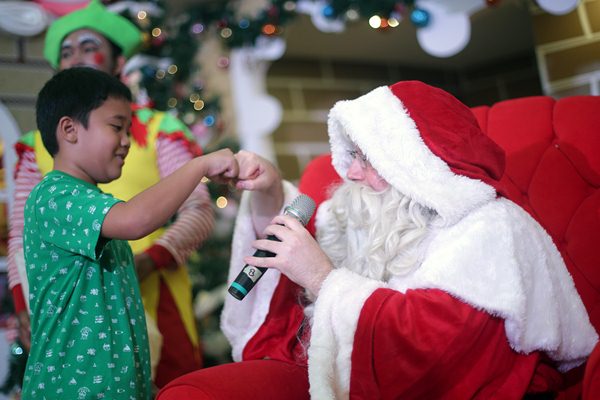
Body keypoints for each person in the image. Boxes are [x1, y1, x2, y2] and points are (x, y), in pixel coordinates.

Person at [158, 80, 598, 399]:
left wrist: (321, 277)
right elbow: (305, 253)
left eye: (366, 159)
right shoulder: (368, 210)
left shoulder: (489, 228)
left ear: (413, 163)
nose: (349, 173)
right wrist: (271, 192)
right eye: (350, 156)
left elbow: (434, 357)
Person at [7, 0, 213, 387]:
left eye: (88, 47)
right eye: (66, 52)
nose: (77, 58)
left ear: (119, 62)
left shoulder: (155, 128)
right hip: (82, 340)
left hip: (150, 293)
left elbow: (197, 210)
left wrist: (153, 259)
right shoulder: (42, 164)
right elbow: (21, 234)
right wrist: (23, 302)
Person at [22, 67, 237, 399]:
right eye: (117, 127)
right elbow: (136, 220)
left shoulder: (96, 206)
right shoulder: (54, 195)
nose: (126, 142)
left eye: (129, 130)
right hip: (71, 390)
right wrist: (198, 165)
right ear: (70, 130)